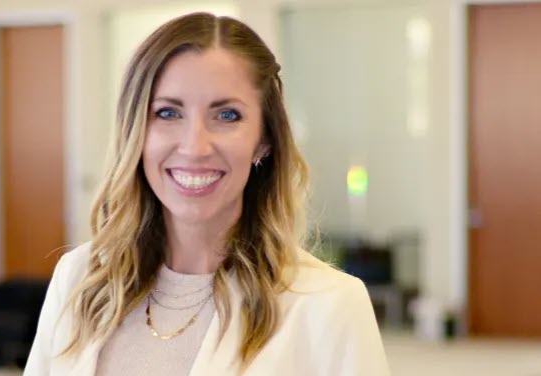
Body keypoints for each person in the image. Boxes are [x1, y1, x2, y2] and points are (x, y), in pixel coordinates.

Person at [24, 12, 389, 376]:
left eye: (226, 115)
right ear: (135, 132)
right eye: (167, 112)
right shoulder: (78, 281)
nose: (195, 147)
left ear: (263, 140)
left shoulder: (328, 303)